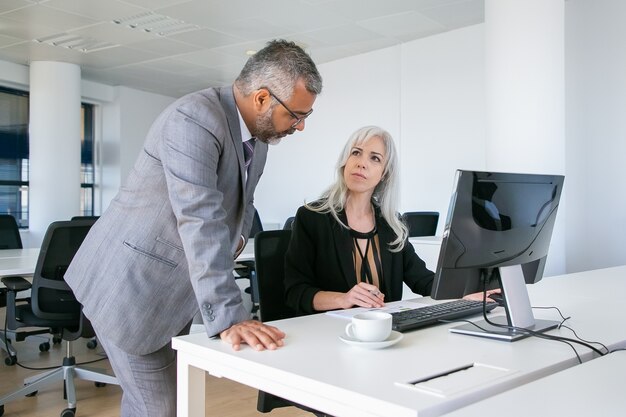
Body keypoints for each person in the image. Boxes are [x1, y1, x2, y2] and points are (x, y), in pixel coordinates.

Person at [64, 39, 322, 417]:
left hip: (170, 289)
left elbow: (242, 203)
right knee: (160, 407)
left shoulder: (259, 138)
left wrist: (236, 239)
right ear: (263, 99)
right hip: (129, 285)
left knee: (157, 403)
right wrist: (231, 318)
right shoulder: (194, 119)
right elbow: (199, 219)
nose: (299, 127)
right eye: (297, 115)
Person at [284, 126, 497, 315]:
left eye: (374, 158)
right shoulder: (311, 218)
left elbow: (422, 280)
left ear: (385, 173)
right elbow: (295, 292)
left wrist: (466, 294)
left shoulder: (391, 225)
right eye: (356, 153)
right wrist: (344, 299)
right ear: (345, 161)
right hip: (328, 333)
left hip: (385, 333)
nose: (361, 163)